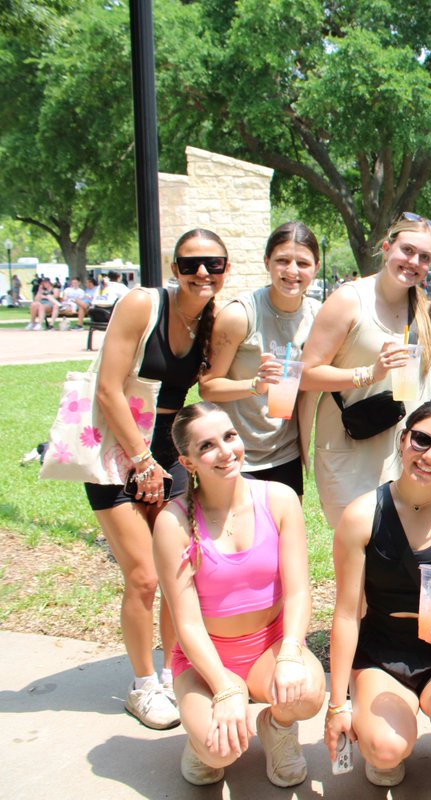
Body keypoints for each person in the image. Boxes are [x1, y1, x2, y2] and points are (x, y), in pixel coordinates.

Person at [83, 229, 229, 729]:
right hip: (119, 450)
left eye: (214, 263)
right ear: (174, 268)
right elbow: (107, 390)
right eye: (191, 264)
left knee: (175, 574)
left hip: (168, 450)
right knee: (143, 577)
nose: (203, 273)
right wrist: (141, 461)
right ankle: (143, 685)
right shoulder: (141, 305)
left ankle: (171, 673)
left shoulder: (209, 316)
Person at [325, 400, 431, 796]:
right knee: (385, 751)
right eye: (421, 440)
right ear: (403, 441)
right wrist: (336, 705)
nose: (429, 455)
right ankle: (383, 739)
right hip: (383, 654)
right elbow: (347, 615)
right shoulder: (362, 515)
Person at [153, 402, 325, 786]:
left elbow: (298, 592)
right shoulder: (173, 521)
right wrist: (223, 686)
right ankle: (201, 743)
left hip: (268, 646)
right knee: (219, 751)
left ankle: (277, 729)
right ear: (188, 461)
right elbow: (186, 622)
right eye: (207, 446)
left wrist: (291, 653)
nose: (226, 451)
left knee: (308, 693)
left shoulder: (279, 499)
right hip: (205, 659)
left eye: (229, 436)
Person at [301, 213, 431, 527]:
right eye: (407, 250)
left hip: (403, 453)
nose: (413, 261)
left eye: (424, 256)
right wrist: (368, 374)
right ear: (387, 247)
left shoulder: (421, 308)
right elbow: (305, 374)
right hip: (350, 446)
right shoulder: (349, 300)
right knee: (356, 548)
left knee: (395, 553)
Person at [200, 222, 322, 498]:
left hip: (285, 451)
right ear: (267, 262)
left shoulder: (319, 317)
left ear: (315, 267)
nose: (292, 271)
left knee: (283, 537)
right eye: (282, 260)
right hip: (234, 452)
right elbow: (208, 386)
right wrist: (256, 385)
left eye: (302, 263)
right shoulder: (240, 315)